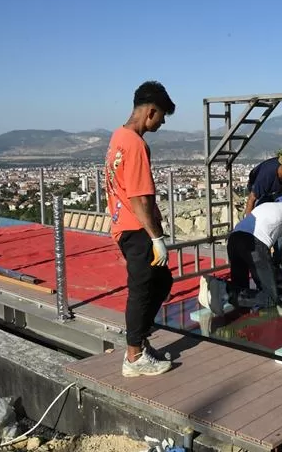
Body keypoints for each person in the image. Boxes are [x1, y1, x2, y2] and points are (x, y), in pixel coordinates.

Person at [105, 80, 177, 377]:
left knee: (161, 283)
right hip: (137, 230)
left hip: (126, 226)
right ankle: (134, 357)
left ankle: (139, 342)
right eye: (162, 116)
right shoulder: (134, 144)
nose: (162, 122)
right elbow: (140, 197)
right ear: (151, 111)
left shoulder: (117, 137)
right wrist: (156, 237)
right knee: (143, 289)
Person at [198, 196, 282, 315]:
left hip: (234, 239)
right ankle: (223, 288)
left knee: (241, 289)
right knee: (270, 298)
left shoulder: (266, 207)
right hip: (253, 243)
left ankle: (216, 291)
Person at [244, 154, 282, 263]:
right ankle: (260, 259)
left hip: (277, 192)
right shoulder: (266, 175)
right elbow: (251, 199)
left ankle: (277, 261)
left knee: (279, 226)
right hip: (260, 194)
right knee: (260, 226)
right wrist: (248, 227)